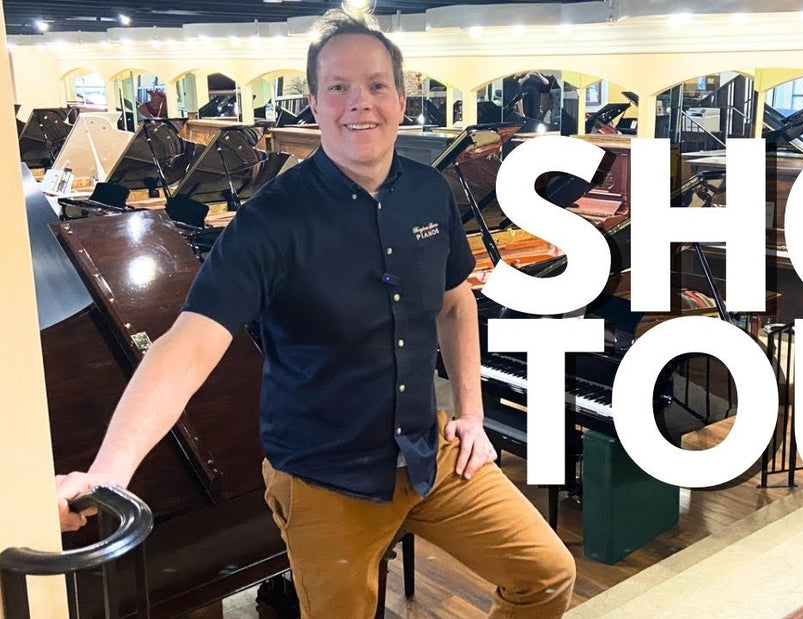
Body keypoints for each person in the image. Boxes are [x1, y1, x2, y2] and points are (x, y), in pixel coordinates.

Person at [54, 5, 576, 618]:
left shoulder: (429, 191)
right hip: (325, 480)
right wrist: (110, 470)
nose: (361, 103)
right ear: (313, 101)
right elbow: (189, 342)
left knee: (547, 574)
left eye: (377, 85)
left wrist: (471, 413)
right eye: (339, 87)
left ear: (403, 99)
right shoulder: (270, 220)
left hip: (428, 453)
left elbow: (456, 300)